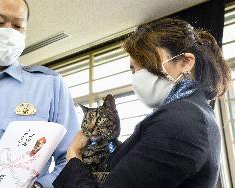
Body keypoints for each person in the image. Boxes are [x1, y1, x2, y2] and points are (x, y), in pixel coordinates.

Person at [53, 18, 231, 188]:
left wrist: (73, 157)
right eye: (133, 70)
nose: (138, 76)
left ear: (185, 62)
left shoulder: (183, 120)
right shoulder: (192, 113)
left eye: (145, 63)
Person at [0, 0, 79, 187]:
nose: (9, 31)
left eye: (18, 26)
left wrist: (40, 186)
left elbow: (71, 158)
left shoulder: (49, 85)